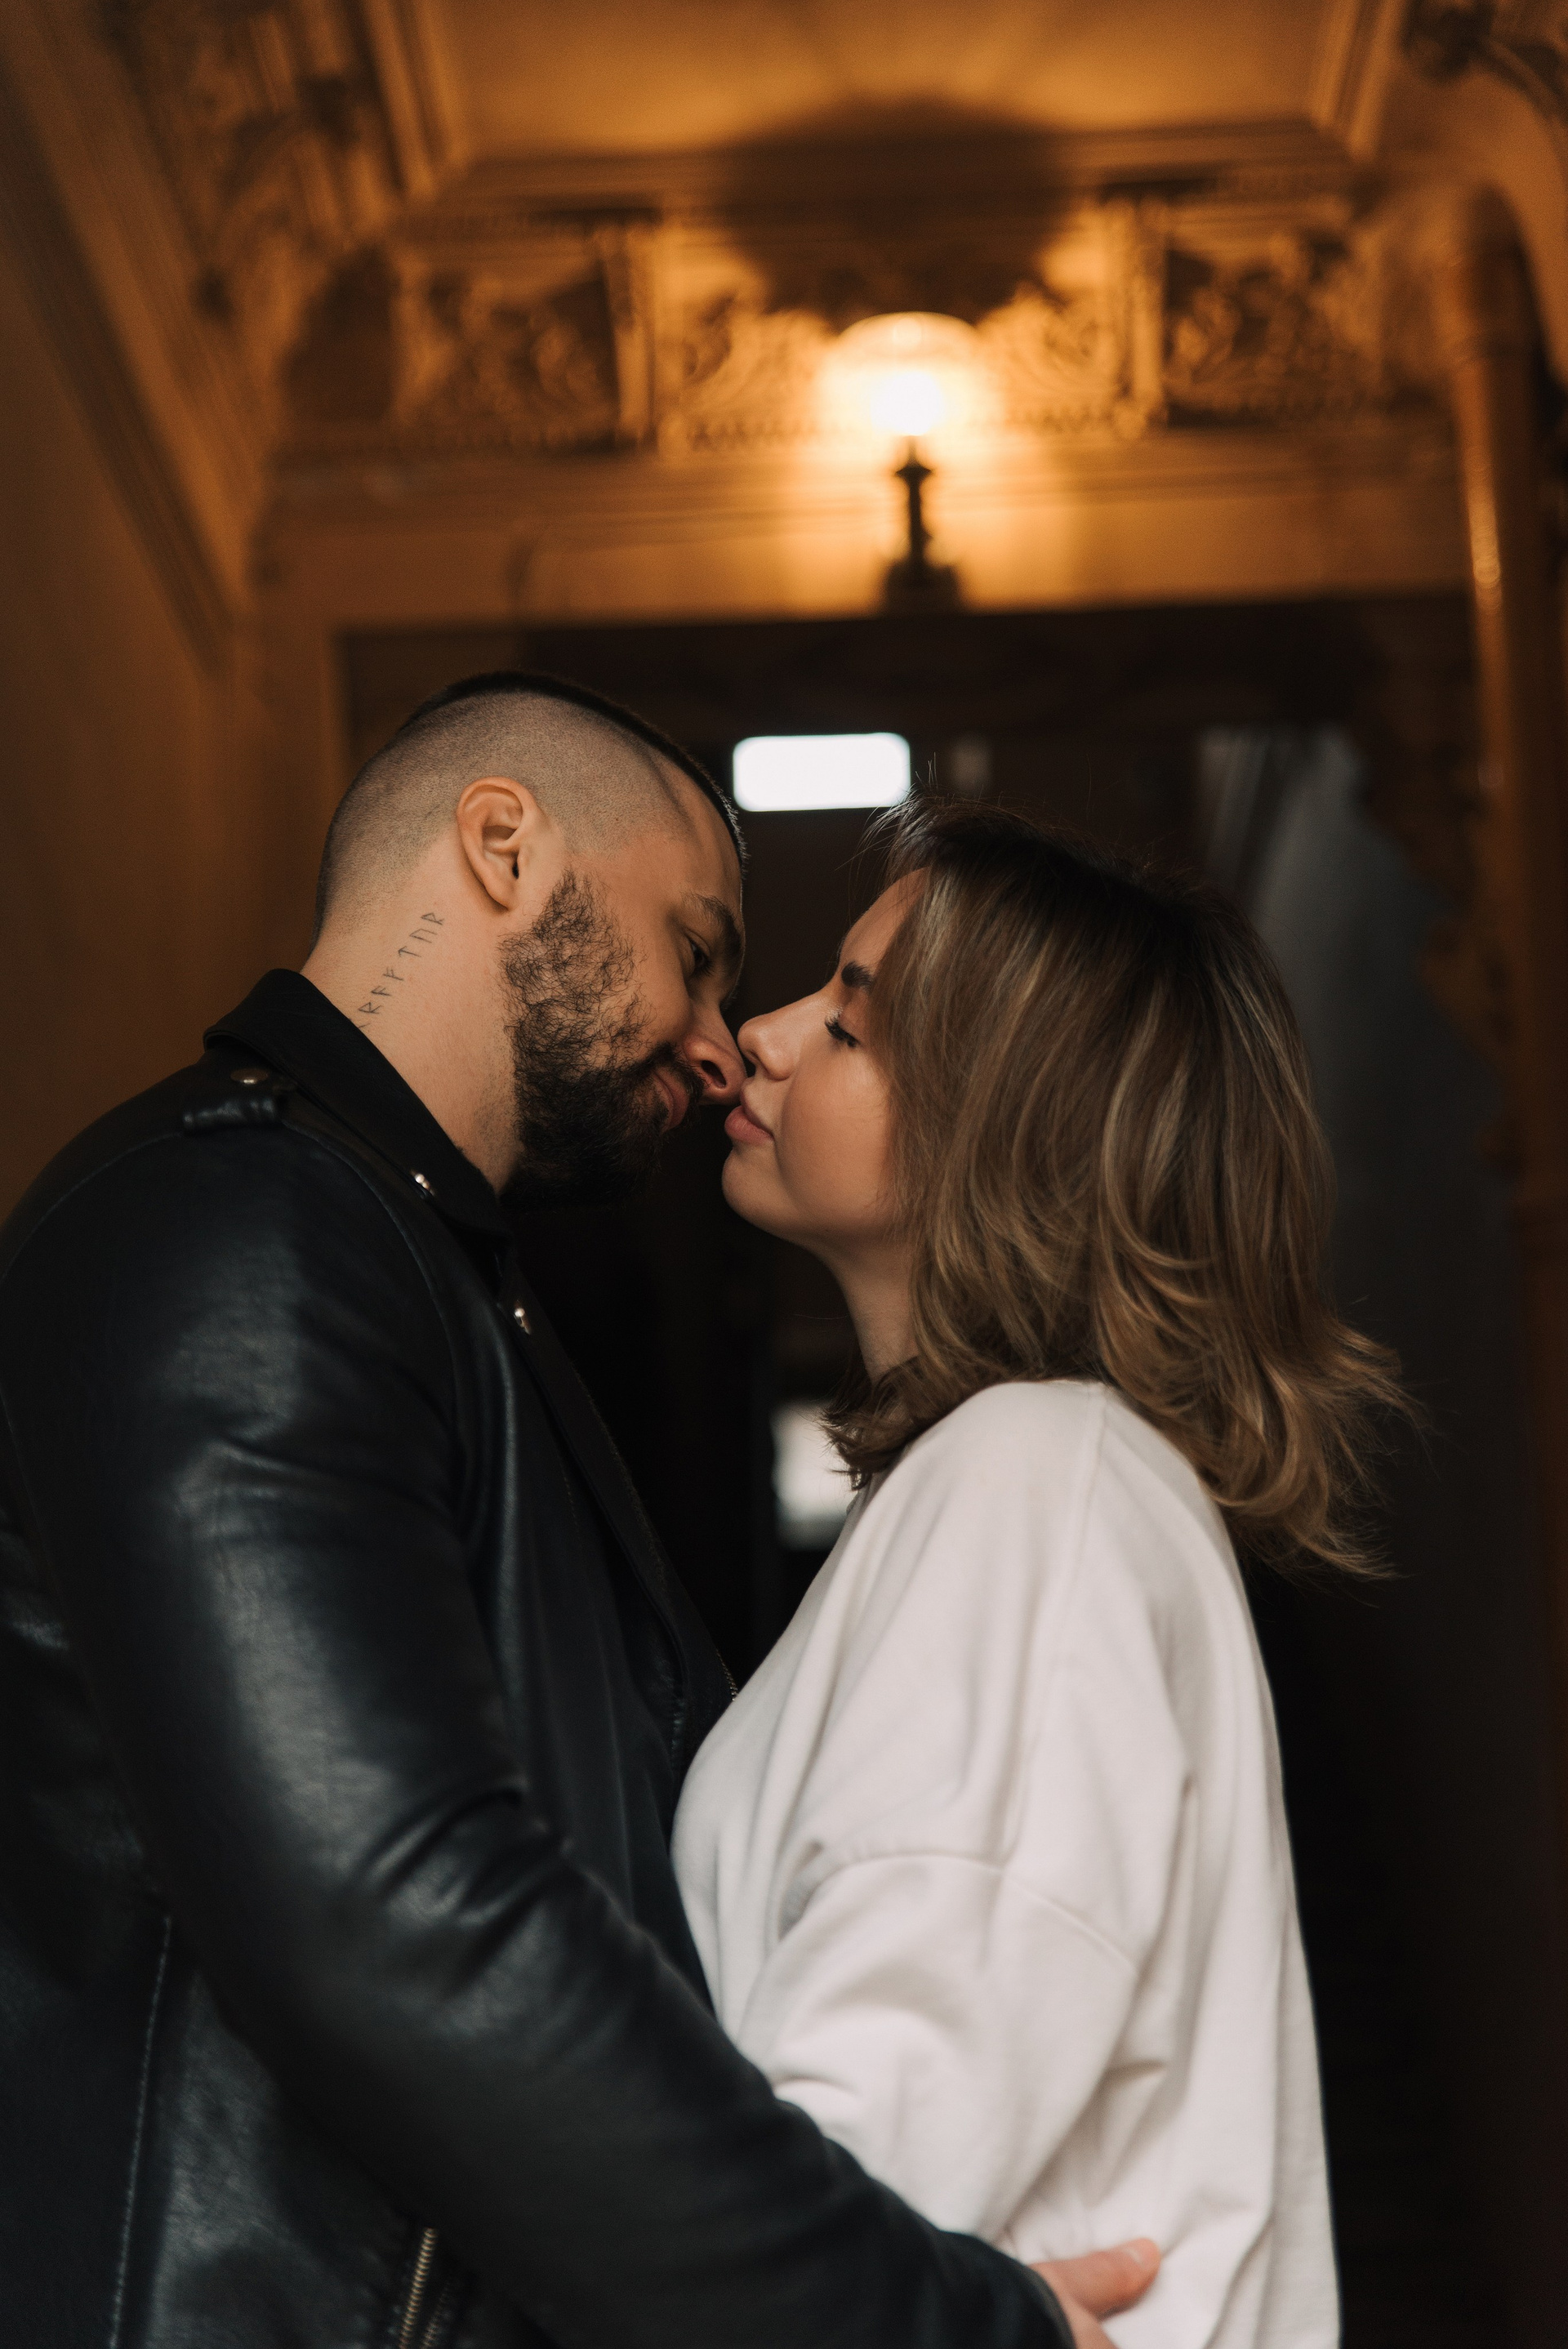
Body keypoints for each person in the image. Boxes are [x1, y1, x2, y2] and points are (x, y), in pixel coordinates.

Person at [0, 675, 1154, 2349]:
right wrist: (921, 2319)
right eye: (697, 950)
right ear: (503, 847)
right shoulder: (239, 1227)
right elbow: (393, 1915)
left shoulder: (448, 1292)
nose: (720, 1038)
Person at [678, 802, 1404, 2347]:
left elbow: (848, 2177)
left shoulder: (1037, 1482)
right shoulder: (1010, 1485)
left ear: (1000, 1130)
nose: (760, 1037)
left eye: (850, 1027)